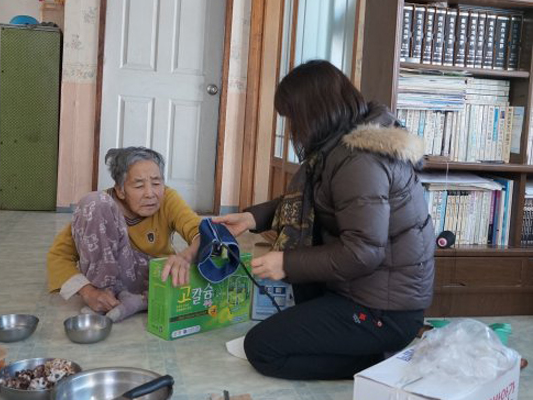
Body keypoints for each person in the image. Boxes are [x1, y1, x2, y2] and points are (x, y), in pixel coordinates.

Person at [214, 60, 435, 380]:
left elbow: (363, 252)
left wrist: (286, 262)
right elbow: (314, 202)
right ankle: (357, 341)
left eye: (292, 118)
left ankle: (381, 359)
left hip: (385, 311)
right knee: (303, 285)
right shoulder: (341, 147)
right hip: (368, 292)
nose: (291, 129)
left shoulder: (359, 162)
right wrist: (251, 218)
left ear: (311, 113)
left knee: (262, 349)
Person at [47, 147, 201, 322]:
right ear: (120, 190)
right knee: (93, 202)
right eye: (139, 185)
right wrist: (89, 292)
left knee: (205, 259)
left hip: (154, 277)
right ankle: (107, 299)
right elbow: (59, 256)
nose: (150, 193)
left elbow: (200, 231)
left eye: (157, 183)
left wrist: (186, 257)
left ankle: (141, 300)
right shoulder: (97, 209)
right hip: (111, 279)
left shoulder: (168, 198)